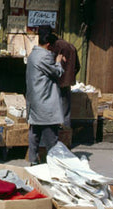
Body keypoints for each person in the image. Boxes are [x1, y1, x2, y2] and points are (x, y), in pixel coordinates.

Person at [25, 26, 65, 165]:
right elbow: (57, 73)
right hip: (45, 101)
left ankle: (33, 161)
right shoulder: (44, 56)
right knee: (50, 137)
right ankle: (54, 164)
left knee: (34, 134)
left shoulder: (33, 55)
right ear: (48, 45)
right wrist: (58, 62)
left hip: (34, 100)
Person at [49, 31, 80, 129]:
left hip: (57, 81)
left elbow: (51, 64)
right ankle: (66, 136)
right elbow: (77, 66)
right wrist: (71, 76)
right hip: (67, 82)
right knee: (65, 111)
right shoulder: (71, 47)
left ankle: (57, 136)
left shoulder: (56, 46)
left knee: (54, 110)